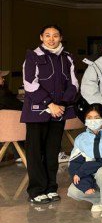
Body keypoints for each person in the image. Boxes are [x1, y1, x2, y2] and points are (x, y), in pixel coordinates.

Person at [22, 24, 79, 204]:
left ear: (60, 37)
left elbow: (74, 85)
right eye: (47, 35)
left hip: (58, 111)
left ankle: (50, 188)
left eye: (55, 35)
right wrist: (50, 103)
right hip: (37, 112)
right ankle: (36, 190)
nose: (51, 39)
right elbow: (30, 84)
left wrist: (61, 104)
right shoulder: (32, 56)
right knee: (35, 152)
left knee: (52, 151)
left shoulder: (67, 58)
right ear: (41, 37)